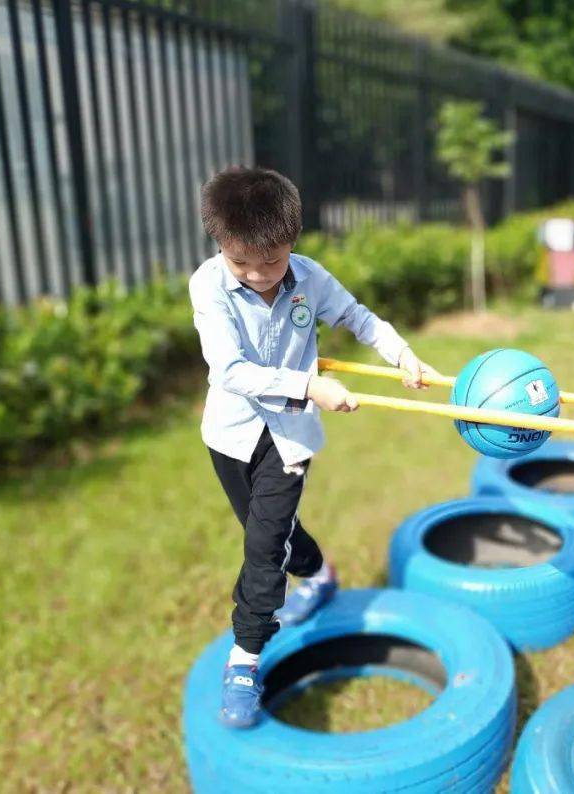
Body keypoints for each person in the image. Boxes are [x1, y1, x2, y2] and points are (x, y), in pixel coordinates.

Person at [189, 166, 436, 728]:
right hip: (229, 433)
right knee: (272, 534)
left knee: (261, 546)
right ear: (221, 247)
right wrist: (310, 385)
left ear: (292, 242)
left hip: (290, 441)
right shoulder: (208, 285)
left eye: (270, 260)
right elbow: (229, 370)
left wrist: (401, 355)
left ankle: (246, 657)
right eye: (241, 261)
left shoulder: (310, 279)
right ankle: (320, 575)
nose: (256, 274)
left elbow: (358, 317)